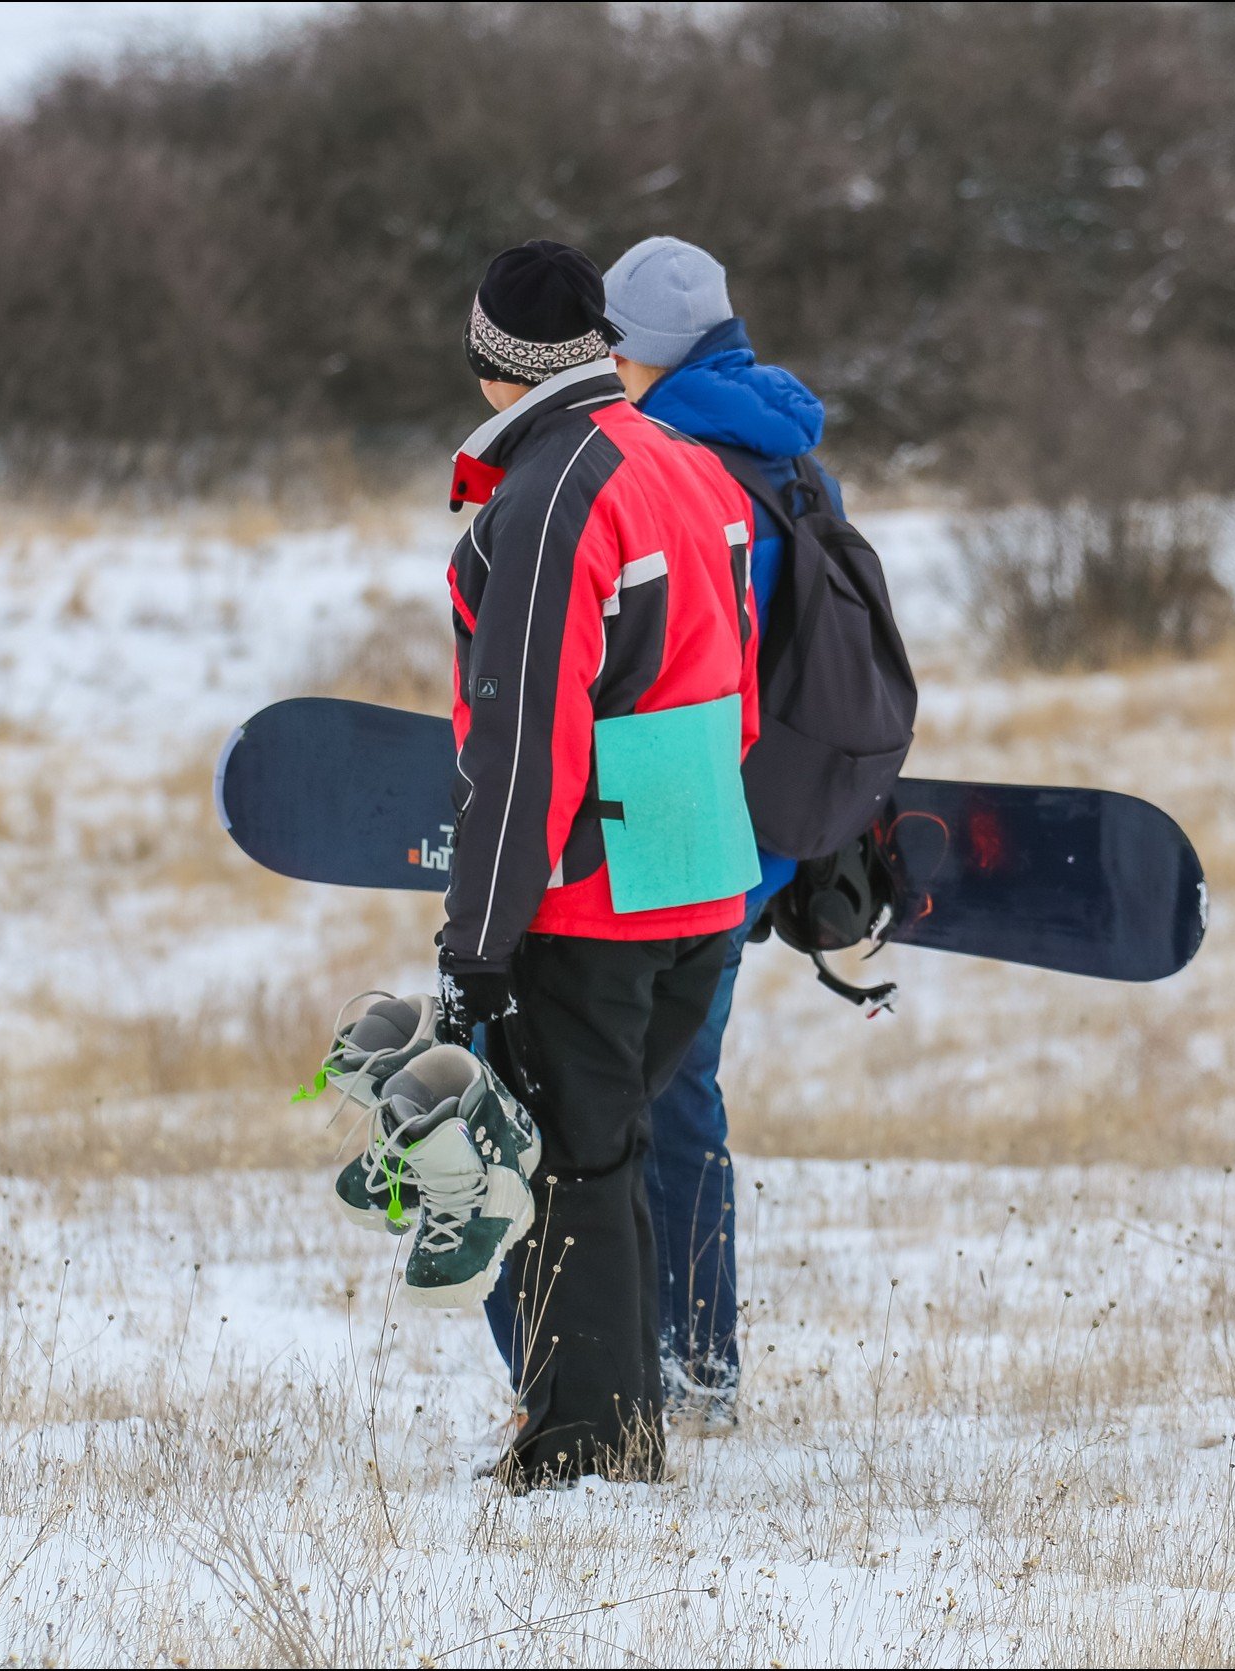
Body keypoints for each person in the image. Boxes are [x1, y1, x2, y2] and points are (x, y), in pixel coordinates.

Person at [482, 235, 846, 1435]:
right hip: (727, 825)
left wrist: (507, 897)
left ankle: (615, 1405)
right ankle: (689, 1364)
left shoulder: (638, 465)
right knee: (662, 1113)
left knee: (590, 1137)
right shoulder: (785, 452)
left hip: (633, 838)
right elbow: (741, 677)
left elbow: (570, 704)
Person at [431, 240, 762, 1489]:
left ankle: (583, 1453)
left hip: (590, 891)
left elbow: (527, 741)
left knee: (562, 1166)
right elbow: (732, 694)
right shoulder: (685, 466)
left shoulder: (550, 494)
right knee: (606, 1149)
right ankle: (616, 1430)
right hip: (696, 870)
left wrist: (480, 938)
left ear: (485, 364)